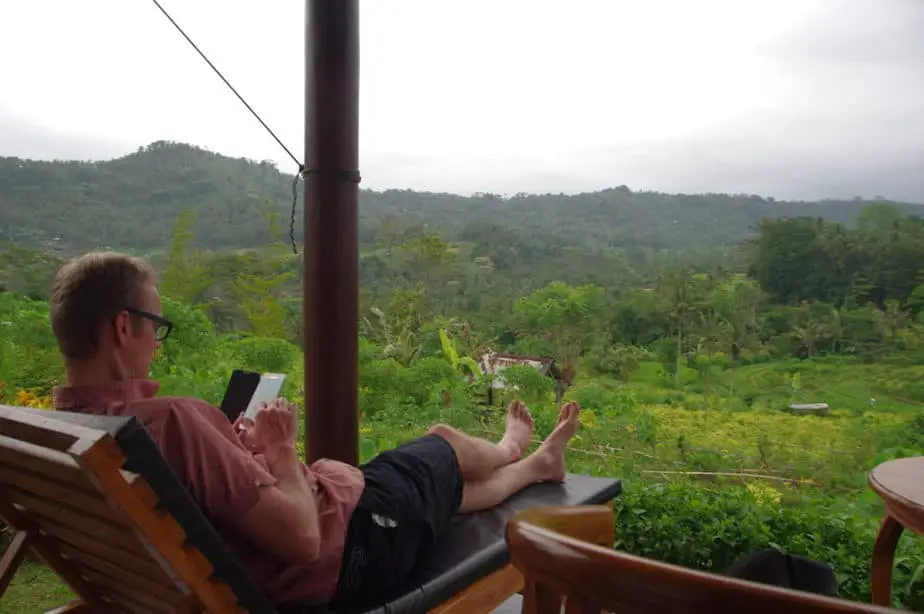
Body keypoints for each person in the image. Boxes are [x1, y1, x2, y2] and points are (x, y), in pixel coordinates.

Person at [48, 251, 581, 606]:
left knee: (441, 492)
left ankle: (536, 464)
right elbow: (303, 539)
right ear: (124, 327)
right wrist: (279, 451)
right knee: (443, 441)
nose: (157, 343)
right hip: (351, 551)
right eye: (156, 327)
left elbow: (211, 509)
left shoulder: (67, 431)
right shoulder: (173, 421)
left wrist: (243, 458)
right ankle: (512, 446)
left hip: (332, 524)